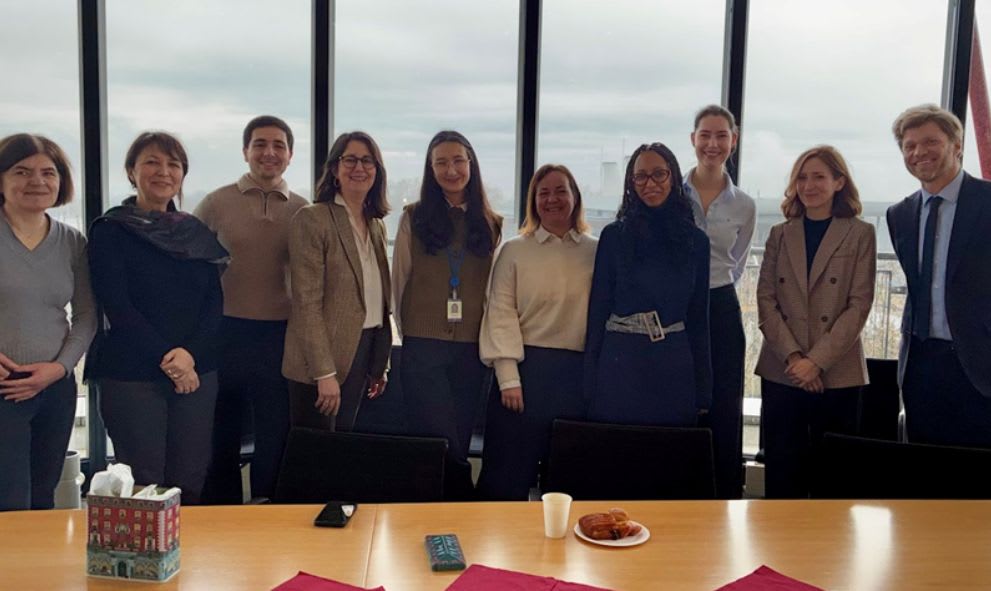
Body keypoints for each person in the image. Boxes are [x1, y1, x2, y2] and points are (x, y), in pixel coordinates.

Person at [88, 132, 227, 504]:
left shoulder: (195, 233)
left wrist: (190, 357)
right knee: (144, 481)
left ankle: (187, 560)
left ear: (182, 175)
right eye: (151, 162)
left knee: (191, 477)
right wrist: (171, 359)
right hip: (133, 373)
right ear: (132, 171)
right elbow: (117, 305)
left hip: (197, 371)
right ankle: (147, 563)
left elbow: (214, 304)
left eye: (173, 164)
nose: (163, 171)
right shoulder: (111, 230)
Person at [195, 116, 307, 504]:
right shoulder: (216, 202)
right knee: (220, 431)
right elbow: (191, 269)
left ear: (290, 155)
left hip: (279, 335)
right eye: (260, 144)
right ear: (245, 152)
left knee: (275, 433)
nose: (269, 152)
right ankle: (221, 512)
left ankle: (266, 510)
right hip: (223, 332)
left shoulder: (302, 210)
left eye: (278, 145)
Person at [755, 145, 876, 498]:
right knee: (781, 473)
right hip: (783, 369)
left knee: (834, 478)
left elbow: (859, 305)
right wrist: (796, 360)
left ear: (839, 182)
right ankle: (778, 551)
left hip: (837, 372)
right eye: (802, 178)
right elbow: (765, 299)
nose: (809, 185)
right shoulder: (780, 233)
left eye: (819, 177)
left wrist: (816, 362)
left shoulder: (860, 233)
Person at [392, 130, 502, 500]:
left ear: (471, 164)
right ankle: (464, 499)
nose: (450, 169)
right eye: (441, 162)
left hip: (472, 348)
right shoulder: (414, 218)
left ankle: (446, 509)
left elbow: (495, 293)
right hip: (423, 346)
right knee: (437, 437)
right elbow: (399, 281)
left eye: (458, 160)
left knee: (459, 433)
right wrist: (409, 332)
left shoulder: (493, 223)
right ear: (430, 169)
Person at [476, 164, 597, 500]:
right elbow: (499, 312)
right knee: (505, 479)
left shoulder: (597, 251)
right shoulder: (515, 250)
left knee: (569, 481)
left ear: (575, 197)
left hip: (576, 376)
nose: (552, 199)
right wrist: (508, 378)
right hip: (523, 375)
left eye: (561, 190)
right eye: (543, 192)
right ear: (533, 201)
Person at [0, 134, 96, 511]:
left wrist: (59, 368)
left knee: (42, 497)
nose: (36, 181)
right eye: (21, 171)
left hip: (54, 387)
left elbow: (87, 314)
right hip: (3, 384)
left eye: (47, 172)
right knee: (9, 500)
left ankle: (32, 572)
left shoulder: (72, 242)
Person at [584, 142, 711, 427]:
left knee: (665, 462)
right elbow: (598, 311)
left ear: (673, 178)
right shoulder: (614, 237)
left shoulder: (696, 242)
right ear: (631, 184)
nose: (649, 183)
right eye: (640, 176)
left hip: (673, 363)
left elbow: (699, 318)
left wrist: (704, 390)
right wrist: (589, 380)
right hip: (619, 361)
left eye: (659, 174)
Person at [888, 104, 991, 447]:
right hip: (920, 366)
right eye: (910, 145)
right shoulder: (899, 215)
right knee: (924, 477)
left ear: (957, 145)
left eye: (930, 141)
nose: (919, 152)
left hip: (980, 364)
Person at [283, 131, 392, 433]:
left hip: (364, 349)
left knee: (341, 450)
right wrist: (324, 373)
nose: (360, 168)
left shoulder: (376, 225)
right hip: (322, 358)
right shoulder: (314, 219)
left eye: (367, 161)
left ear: (377, 170)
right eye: (350, 160)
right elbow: (306, 303)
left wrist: (378, 363)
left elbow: (378, 299)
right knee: (317, 456)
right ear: (334, 169)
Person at [683, 104, 756, 499]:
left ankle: (723, 496)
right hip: (677, 306)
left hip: (721, 306)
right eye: (705, 135)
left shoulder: (743, 204)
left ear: (734, 140)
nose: (713, 144)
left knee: (724, 405)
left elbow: (737, 263)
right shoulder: (672, 195)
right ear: (693, 139)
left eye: (721, 136)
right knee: (680, 400)